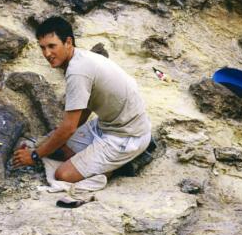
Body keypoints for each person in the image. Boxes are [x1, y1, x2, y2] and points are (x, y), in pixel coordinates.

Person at [10, 16, 151, 204]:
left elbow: (68, 128)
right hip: (109, 125)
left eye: (52, 46)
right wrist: (54, 142)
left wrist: (34, 156)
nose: (47, 53)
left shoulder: (77, 71)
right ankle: (100, 163)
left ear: (68, 42)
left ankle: (109, 171)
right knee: (54, 144)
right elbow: (81, 113)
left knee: (63, 174)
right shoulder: (81, 58)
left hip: (126, 137)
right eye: (43, 47)